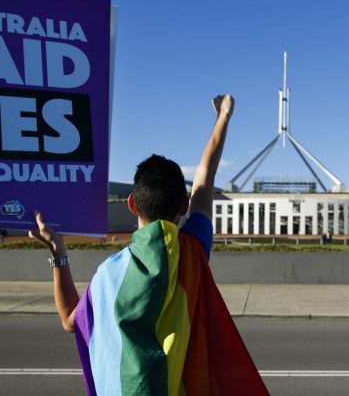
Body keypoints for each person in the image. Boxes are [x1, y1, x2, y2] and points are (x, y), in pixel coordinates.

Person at [29, 95, 269, 396]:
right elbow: (204, 183)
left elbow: (69, 320)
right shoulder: (191, 253)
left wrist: (57, 253)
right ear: (183, 207)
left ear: (131, 204)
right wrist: (223, 116)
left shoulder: (108, 276)